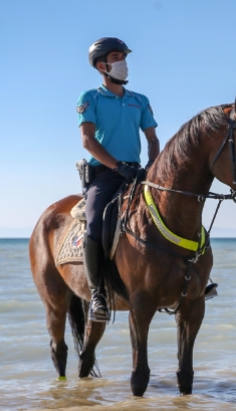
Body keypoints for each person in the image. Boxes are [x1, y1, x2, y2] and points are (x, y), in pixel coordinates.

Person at [77, 37, 159, 322]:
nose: (123, 62)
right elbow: (88, 141)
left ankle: (193, 278)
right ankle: (97, 293)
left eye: (124, 56)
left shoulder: (140, 101)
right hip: (105, 175)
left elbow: (152, 138)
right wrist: (118, 167)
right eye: (116, 56)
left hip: (137, 173)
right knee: (96, 224)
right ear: (102, 65)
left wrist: (153, 166)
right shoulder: (90, 98)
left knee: (174, 209)